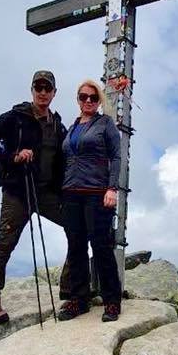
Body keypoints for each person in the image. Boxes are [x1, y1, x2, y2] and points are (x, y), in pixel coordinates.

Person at [0, 71, 69, 324]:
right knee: (5, 243)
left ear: (54, 93)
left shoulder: (57, 124)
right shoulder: (15, 117)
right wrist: (13, 156)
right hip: (18, 190)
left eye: (47, 88)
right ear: (32, 90)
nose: (42, 92)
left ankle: (70, 289)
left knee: (77, 227)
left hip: (47, 193)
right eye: (38, 88)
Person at [58, 78, 122, 323]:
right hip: (71, 192)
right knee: (75, 248)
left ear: (99, 101)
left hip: (96, 192)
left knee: (101, 246)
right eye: (83, 97)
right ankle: (79, 300)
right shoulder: (72, 127)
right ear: (77, 99)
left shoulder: (105, 123)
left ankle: (112, 301)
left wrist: (112, 188)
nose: (88, 101)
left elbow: (116, 157)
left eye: (93, 98)